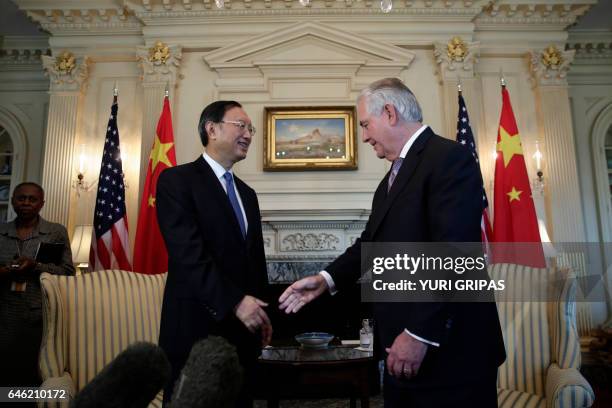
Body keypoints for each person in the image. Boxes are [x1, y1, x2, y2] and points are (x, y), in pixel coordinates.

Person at [279, 78, 506, 407]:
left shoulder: (448, 158)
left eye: (365, 124)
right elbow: (369, 245)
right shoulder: (390, 179)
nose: (365, 135)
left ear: (389, 113)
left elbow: (455, 255)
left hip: (450, 354)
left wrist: (418, 334)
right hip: (403, 354)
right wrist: (324, 280)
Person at [156, 100, 272, 406]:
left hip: (242, 335)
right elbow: (189, 255)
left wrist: (263, 314)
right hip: (195, 330)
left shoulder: (247, 194)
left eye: (251, 128)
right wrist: (235, 301)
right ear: (212, 129)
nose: (249, 133)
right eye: (241, 126)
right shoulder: (176, 181)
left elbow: (254, 262)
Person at [0, 182, 75, 390]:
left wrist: (35, 266)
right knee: (4, 377)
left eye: (32, 199)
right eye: (21, 198)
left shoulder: (55, 232)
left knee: (32, 377)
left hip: (39, 317)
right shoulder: (1, 231)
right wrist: (6, 271)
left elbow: (68, 273)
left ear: (41, 204)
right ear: (13, 200)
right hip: (3, 315)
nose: (26, 203)